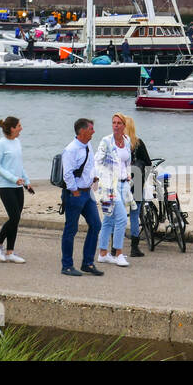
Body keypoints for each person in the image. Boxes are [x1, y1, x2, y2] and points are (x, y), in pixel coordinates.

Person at [61, 118, 103, 277]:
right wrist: (75, 191)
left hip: (87, 193)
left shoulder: (88, 145)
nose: (93, 131)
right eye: (91, 129)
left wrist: (94, 177)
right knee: (71, 229)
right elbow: (67, 174)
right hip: (75, 194)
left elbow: (90, 165)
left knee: (96, 224)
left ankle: (88, 263)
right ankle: (67, 265)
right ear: (82, 131)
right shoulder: (71, 150)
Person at [0, 116, 32, 264]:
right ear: (12, 128)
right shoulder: (0, 144)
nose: (21, 128)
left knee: (16, 219)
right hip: (5, 186)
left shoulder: (17, 142)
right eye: (19, 126)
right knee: (14, 217)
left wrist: (26, 182)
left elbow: (19, 165)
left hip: (18, 186)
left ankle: (10, 252)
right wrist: (13, 178)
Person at [95, 114, 133, 266]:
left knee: (109, 219)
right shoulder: (106, 141)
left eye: (119, 123)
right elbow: (97, 161)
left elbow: (127, 161)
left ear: (124, 125)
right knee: (122, 218)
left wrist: (128, 174)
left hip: (124, 184)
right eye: (113, 123)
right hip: (109, 186)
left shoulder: (127, 140)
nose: (116, 125)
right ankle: (118, 253)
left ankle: (102, 254)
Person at [127, 118, 149, 259]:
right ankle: (134, 248)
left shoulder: (117, 143)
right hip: (137, 183)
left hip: (121, 183)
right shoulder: (138, 143)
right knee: (135, 216)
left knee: (117, 216)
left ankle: (112, 248)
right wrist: (143, 181)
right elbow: (148, 163)